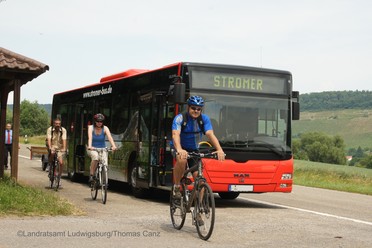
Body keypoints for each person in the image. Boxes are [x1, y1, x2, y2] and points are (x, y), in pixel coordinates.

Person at [171, 96, 225, 200]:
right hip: (179, 147)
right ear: (188, 107)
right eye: (193, 108)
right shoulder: (180, 118)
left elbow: (210, 134)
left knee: (200, 181)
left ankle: (199, 210)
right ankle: (177, 186)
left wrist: (219, 149)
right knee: (182, 160)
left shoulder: (204, 119)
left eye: (198, 109)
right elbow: (175, 134)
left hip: (194, 149)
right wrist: (179, 149)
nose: (196, 111)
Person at [87, 113, 117, 183]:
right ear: (95, 121)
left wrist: (113, 146)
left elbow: (110, 137)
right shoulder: (91, 128)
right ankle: (91, 175)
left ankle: (104, 180)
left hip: (103, 148)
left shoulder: (105, 128)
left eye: (101, 121)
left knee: (105, 163)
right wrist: (90, 146)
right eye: (98, 121)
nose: (99, 123)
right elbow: (90, 137)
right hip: (93, 148)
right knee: (95, 157)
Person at [46, 117, 67, 185]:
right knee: (52, 153)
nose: (58, 125)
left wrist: (64, 148)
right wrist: (50, 147)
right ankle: (49, 165)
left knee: (61, 163)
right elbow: (49, 139)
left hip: (59, 147)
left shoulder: (63, 130)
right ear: (54, 124)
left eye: (59, 124)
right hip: (52, 145)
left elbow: (64, 140)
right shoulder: (50, 129)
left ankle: (59, 177)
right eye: (56, 123)